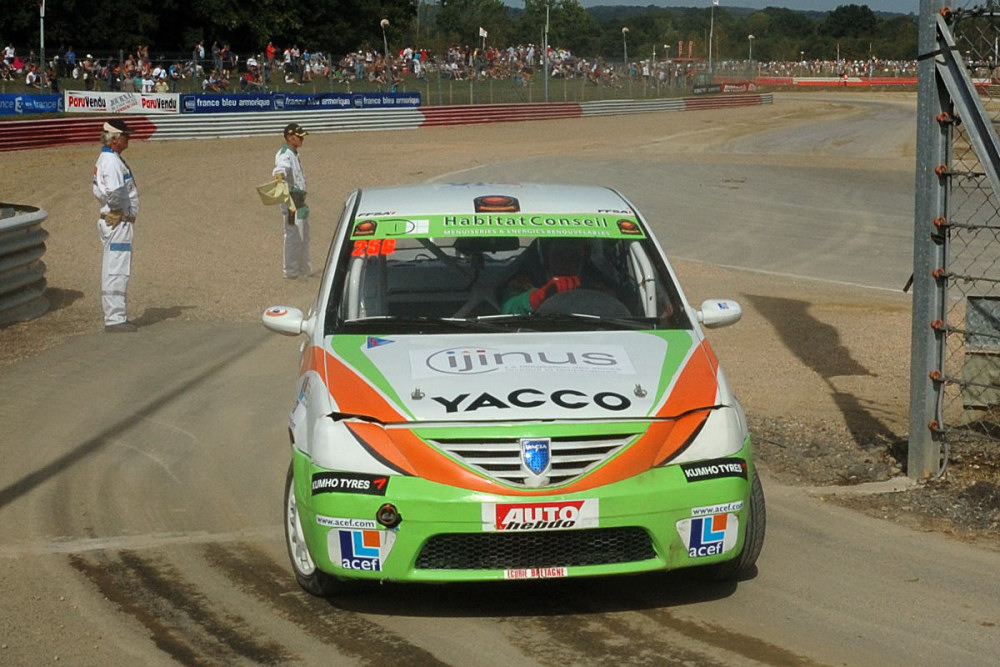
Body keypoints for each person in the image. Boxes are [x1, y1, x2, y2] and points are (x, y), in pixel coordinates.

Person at [92, 119, 140, 332]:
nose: (128, 138)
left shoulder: (109, 159)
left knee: (115, 268)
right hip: (118, 222)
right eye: (125, 135)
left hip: (116, 221)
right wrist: (117, 211)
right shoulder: (111, 161)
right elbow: (114, 192)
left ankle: (115, 316)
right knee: (116, 270)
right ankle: (115, 318)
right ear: (115, 138)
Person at [501, 238, 588, 314]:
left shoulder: (596, 282)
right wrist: (541, 296)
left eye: (573, 255)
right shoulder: (524, 280)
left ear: (585, 256)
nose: (566, 262)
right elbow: (508, 309)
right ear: (546, 255)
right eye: (559, 253)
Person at [272, 123, 312, 279]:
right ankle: (291, 271)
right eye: (298, 136)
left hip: (299, 201)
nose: (301, 138)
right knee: (293, 237)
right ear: (289, 137)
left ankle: (302, 269)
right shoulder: (285, 155)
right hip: (292, 203)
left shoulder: (293, 153)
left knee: (303, 237)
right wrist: (279, 175)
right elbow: (281, 168)